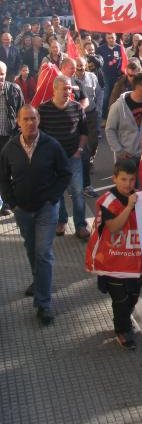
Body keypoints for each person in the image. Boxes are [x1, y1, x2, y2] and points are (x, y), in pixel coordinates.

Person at [0, 105, 72, 325]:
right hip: (22, 211)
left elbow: (65, 173)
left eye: (33, 118)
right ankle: (38, 281)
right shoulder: (10, 148)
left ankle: (44, 303)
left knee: (43, 252)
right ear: (19, 122)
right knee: (31, 250)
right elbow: (3, 179)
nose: (30, 123)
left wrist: (53, 198)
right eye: (26, 119)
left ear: (39, 120)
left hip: (46, 210)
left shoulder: (51, 145)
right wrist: (13, 204)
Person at [85, 158, 142, 350]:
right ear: (115, 178)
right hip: (113, 262)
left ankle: (124, 320)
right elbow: (114, 227)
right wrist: (128, 207)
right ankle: (123, 330)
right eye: (124, 179)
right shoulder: (107, 201)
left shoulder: (140, 196)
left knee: (133, 296)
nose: (128, 184)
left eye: (132, 180)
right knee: (121, 299)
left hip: (134, 262)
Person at [38, 74, 89, 240]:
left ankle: (80, 225)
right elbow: (40, 134)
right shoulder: (43, 109)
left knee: (77, 192)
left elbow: (84, 132)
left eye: (69, 88)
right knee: (57, 192)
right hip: (53, 160)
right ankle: (61, 221)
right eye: (64, 89)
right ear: (55, 89)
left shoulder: (77, 108)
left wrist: (79, 150)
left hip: (74, 157)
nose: (68, 91)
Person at [105, 72, 142, 163]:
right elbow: (109, 129)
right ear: (138, 86)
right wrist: (119, 150)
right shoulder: (118, 106)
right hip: (126, 156)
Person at [0, 60, 25, 215]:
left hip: (9, 137)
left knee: (6, 171)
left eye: (1, 74)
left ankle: (7, 202)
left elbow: (22, 113)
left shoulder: (14, 90)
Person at [74, 56, 100, 198]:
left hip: (91, 113)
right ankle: (83, 181)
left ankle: (89, 159)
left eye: (82, 65)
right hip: (77, 117)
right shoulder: (71, 80)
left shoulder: (92, 77)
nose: (80, 67)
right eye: (77, 65)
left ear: (86, 66)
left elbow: (99, 94)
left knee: (94, 141)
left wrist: (99, 110)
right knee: (82, 147)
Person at [97, 33, 123, 120]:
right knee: (106, 97)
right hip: (106, 77)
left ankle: (119, 118)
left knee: (118, 97)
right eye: (109, 38)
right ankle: (104, 118)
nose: (111, 39)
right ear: (106, 38)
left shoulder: (120, 48)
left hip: (119, 76)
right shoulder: (100, 49)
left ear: (115, 38)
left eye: (112, 38)